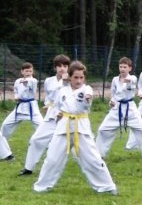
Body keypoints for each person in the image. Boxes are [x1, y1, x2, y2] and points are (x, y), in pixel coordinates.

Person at [33, 62, 117, 195]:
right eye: (76, 77)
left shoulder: (86, 89)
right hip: (63, 127)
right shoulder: (62, 91)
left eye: (81, 77)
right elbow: (55, 106)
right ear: (70, 77)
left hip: (81, 127)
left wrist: (88, 97)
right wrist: (57, 113)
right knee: (52, 158)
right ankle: (42, 186)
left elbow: (88, 96)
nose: (78, 80)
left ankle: (107, 186)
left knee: (93, 159)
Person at [20, 55, 71, 176]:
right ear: (55, 68)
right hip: (52, 115)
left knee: (77, 146)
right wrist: (47, 104)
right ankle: (28, 168)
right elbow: (48, 97)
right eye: (59, 66)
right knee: (36, 139)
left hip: (68, 115)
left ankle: (96, 163)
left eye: (65, 66)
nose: (62, 68)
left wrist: (65, 82)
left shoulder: (72, 80)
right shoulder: (49, 81)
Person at [98, 57, 142, 158]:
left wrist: (128, 85)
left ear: (129, 68)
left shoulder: (133, 78)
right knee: (102, 129)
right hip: (117, 108)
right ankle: (99, 154)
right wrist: (112, 101)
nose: (122, 69)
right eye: (120, 67)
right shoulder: (115, 80)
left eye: (125, 67)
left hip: (130, 108)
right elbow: (113, 94)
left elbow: (129, 86)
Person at [0, 62, 44, 142]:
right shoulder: (17, 81)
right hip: (20, 107)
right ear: (22, 71)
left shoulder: (33, 81)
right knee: (5, 124)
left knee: (42, 126)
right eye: (26, 71)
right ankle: (2, 141)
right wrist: (16, 97)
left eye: (30, 71)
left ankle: (48, 144)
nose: (28, 73)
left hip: (32, 108)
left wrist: (26, 82)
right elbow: (16, 91)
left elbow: (30, 83)